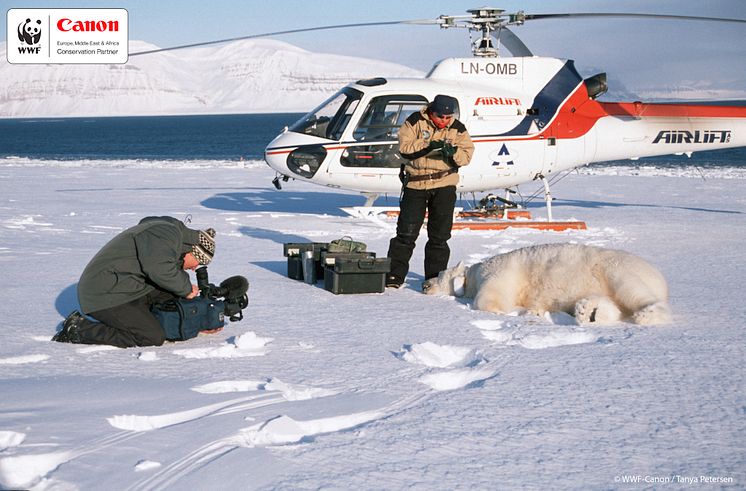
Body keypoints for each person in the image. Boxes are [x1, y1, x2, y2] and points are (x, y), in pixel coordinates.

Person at [52, 216, 216, 348]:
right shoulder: (165, 234)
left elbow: (163, 271)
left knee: (172, 295)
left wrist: (197, 321)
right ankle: (79, 330)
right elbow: (159, 269)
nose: (195, 268)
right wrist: (186, 288)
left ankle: (154, 321)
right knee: (151, 336)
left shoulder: (168, 236)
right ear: (193, 251)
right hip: (105, 295)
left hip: (124, 285)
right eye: (199, 263)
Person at [386, 94, 474, 289]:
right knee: (406, 233)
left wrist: (453, 153)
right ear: (431, 112)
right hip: (416, 184)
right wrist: (427, 145)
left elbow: (467, 155)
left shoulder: (458, 128)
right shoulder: (414, 121)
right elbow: (405, 147)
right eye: (440, 117)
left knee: (439, 236)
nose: (444, 121)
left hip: (444, 184)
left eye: (448, 117)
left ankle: (434, 279)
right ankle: (394, 276)